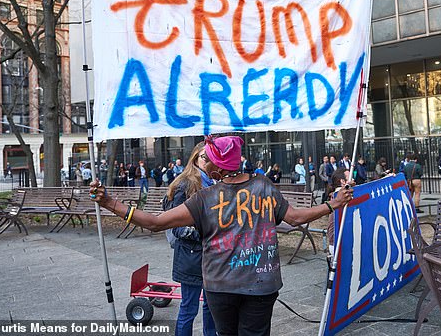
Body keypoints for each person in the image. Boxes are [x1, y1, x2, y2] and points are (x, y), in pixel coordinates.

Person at [89, 135, 353, 336]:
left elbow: (156, 223)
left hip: (220, 287)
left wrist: (111, 203)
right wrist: (333, 204)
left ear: (216, 168)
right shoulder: (264, 186)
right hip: (262, 284)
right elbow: (296, 218)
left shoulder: (205, 198)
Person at [163, 142, 216, 336]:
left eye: (213, 158)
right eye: (204, 157)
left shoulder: (215, 182)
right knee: (189, 308)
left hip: (213, 258)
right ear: (195, 158)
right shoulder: (185, 184)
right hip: (191, 257)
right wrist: (205, 233)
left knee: (212, 309)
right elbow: (175, 226)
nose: (208, 162)